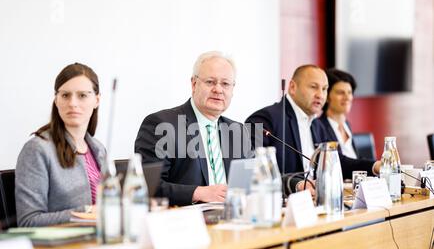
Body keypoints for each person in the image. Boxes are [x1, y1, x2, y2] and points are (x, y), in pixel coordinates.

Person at [135, 51, 254, 206]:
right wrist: (199, 192)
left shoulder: (238, 131)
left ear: (232, 89)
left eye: (225, 84)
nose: (218, 89)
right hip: (186, 220)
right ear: (194, 84)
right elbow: (148, 187)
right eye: (210, 82)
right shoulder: (162, 124)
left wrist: (293, 183)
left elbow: (256, 179)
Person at [245, 64, 380, 194]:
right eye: (313, 87)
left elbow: (338, 162)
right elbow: (254, 170)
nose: (320, 95)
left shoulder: (317, 125)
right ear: (292, 87)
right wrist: (296, 185)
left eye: (324, 89)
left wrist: (375, 166)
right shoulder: (264, 119)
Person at [15, 63, 106, 227]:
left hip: (99, 243)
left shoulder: (99, 149)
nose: (72, 103)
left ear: (97, 100)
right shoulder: (37, 149)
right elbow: (28, 222)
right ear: (56, 100)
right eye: (65, 95)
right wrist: (85, 213)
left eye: (82, 95)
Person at [318, 68, 359, 159]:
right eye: (341, 93)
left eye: (349, 92)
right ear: (327, 96)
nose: (347, 97)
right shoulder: (319, 127)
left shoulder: (346, 125)